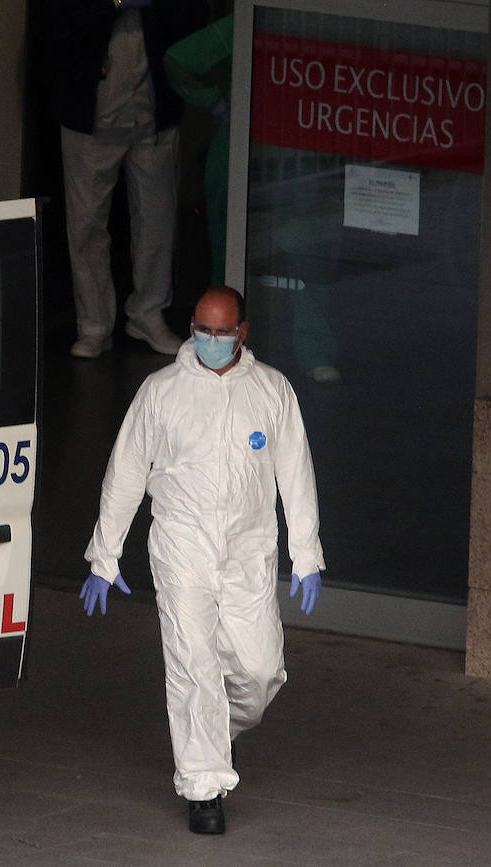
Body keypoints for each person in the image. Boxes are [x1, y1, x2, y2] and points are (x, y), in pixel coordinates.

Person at [78, 284, 325, 835]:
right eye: (201, 329)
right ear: (191, 327)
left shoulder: (272, 391)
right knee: (193, 669)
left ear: (243, 333)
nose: (210, 340)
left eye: (222, 331)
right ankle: (203, 787)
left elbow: (296, 475)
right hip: (182, 549)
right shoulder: (161, 392)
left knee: (261, 673)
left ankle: (217, 732)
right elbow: (125, 474)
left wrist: (306, 553)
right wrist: (104, 555)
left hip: (247, 551)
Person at [163, 17, 341, 383]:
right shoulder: (251, 19)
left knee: (308, 256)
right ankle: (225, 360)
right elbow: (178, 60)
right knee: (233, 266)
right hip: (241, 159)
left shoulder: (322, 22)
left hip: (296, 160)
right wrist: (217, 104)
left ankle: (314, 352)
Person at [49, 0, 209, 359]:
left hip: (155, 104)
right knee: (86, 224)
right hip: (89, 108)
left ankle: (148, 314)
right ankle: (93, 324)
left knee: (157, 220)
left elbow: (192, 16)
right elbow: (58, 21)